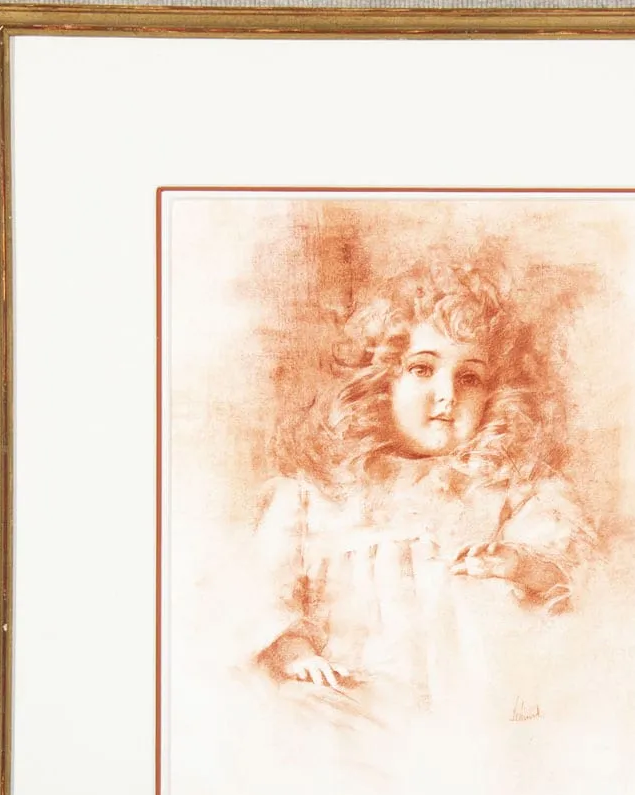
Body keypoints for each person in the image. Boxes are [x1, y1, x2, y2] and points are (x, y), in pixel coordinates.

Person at [245, 258, 594, 728]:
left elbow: (568, 578)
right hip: (353, 697)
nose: (447, 394)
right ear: (381, 382)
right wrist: (294, 650)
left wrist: (517, 563)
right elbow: (266, 593)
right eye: (422, 369)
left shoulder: (510, 488)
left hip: (477, 708)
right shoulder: (314, 495)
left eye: (469, 378)